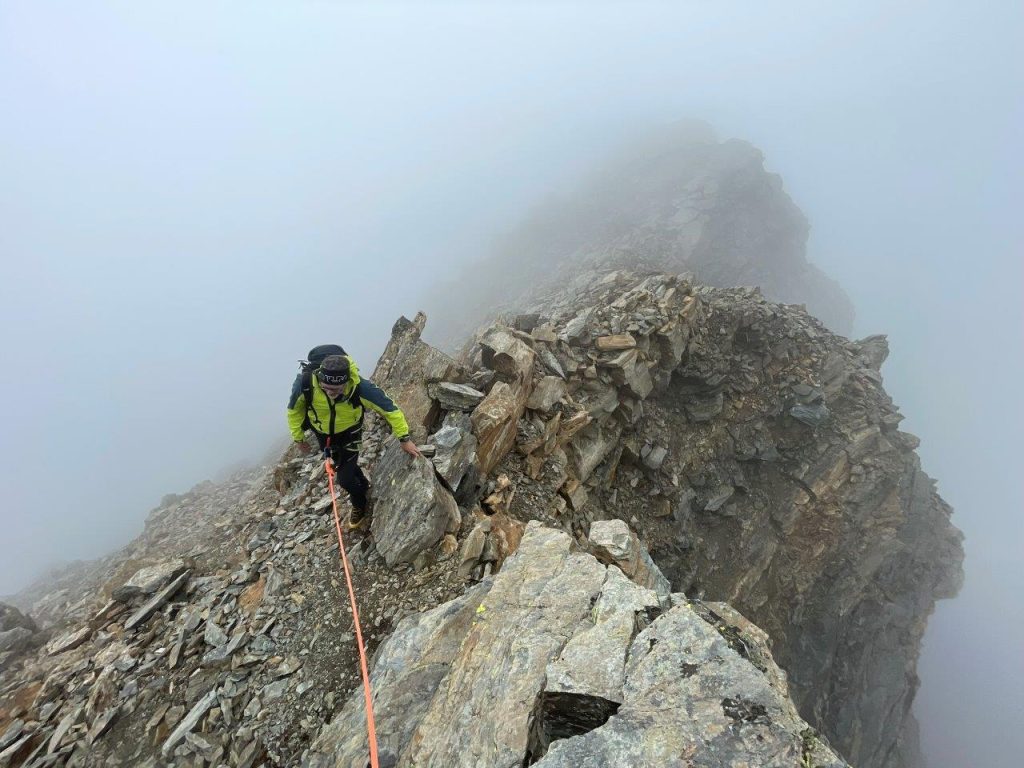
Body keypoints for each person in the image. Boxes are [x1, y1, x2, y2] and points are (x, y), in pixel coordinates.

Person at [287, 351, 421, 528]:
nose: (328, 393)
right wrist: (298, 437)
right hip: (323, 435)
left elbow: (391, 410)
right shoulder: (305, 384)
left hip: (349, 434)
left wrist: (404, 439)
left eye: (335, 390)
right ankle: (363, 484)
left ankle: (360, 504)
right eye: (324, 387)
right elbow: (294, 410)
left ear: (346, 381)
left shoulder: (361, 388)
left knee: (344, 480)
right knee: (342, 464)